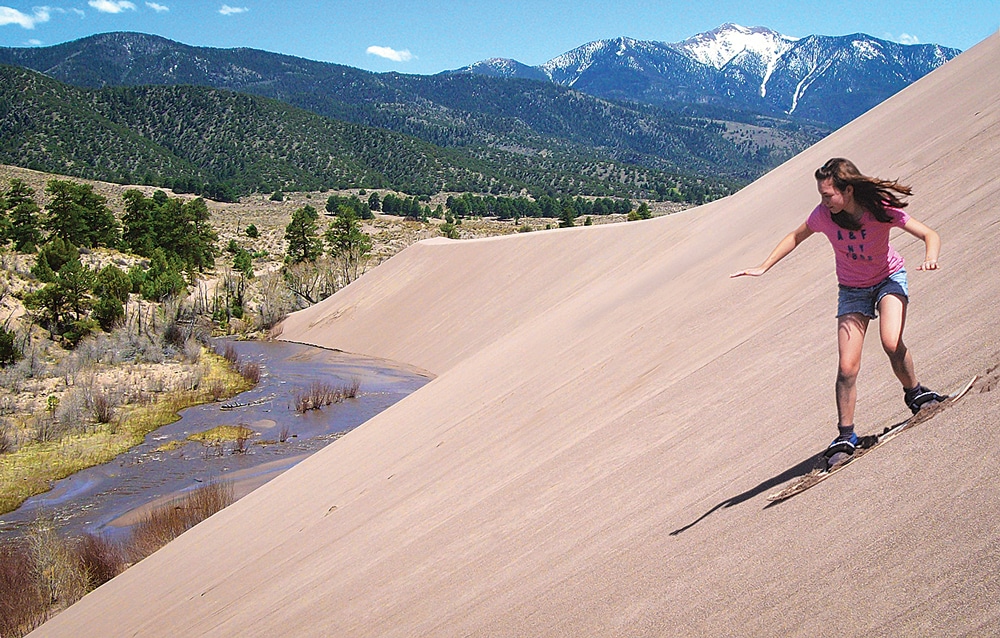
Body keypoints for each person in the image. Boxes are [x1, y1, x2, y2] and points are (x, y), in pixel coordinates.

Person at [731, 158, 945, 466]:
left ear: (847, 190)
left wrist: (931, 256)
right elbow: (795, 236)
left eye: (828, 195)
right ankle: (846, 434)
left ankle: (916, 394)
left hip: (888, 279)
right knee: (847, 367)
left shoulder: (879, 208)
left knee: (890, 342)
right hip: (852, 290)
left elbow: (929, 234)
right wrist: (763, 267)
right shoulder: (824, 216)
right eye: (821, 195)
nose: (823, 202)